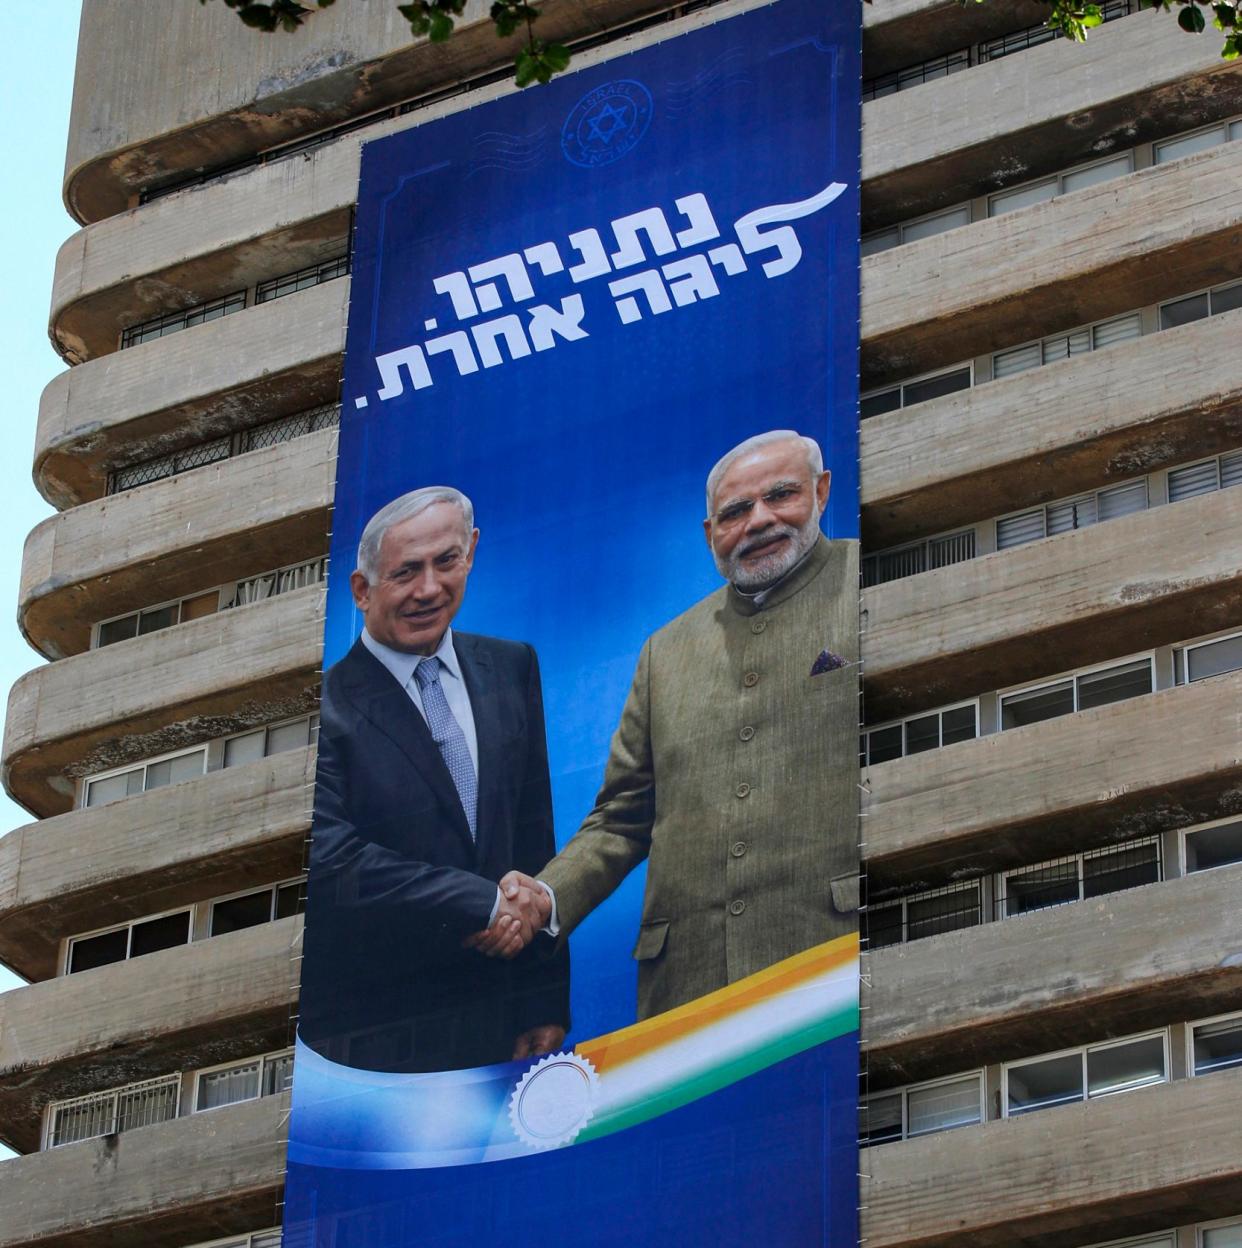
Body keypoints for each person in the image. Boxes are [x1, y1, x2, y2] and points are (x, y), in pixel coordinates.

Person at [473, 430, 858, 1023]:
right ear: (710, 535)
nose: (757, 521)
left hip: (834, 963)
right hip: (688, 990)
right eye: (734, 512)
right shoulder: (666, 651)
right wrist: (544, 899)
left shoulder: (871, 581)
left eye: (780, 495)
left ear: (822, 491)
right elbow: (622, 818)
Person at [299, 486, 568, 1072]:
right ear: (362, 590)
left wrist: (543, 1000)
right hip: (374, 1042)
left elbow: (533, 835)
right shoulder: (320, 710)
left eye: (446, 561)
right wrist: (484, 904)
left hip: (501, 1024)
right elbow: (332, 860)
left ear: (471, 551)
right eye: (406, 572)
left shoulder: (512, 667)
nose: (429, 589)